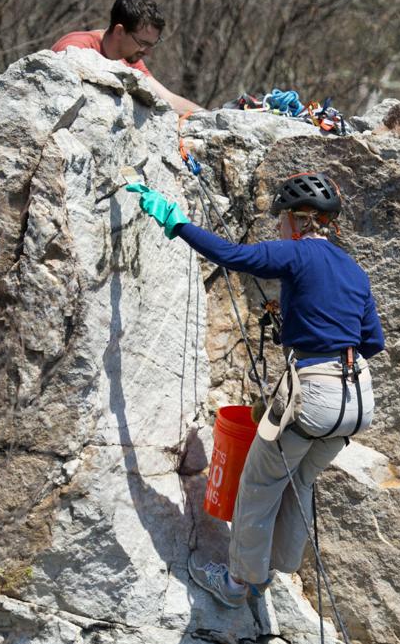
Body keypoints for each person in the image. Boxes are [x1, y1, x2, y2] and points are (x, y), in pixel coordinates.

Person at [126, 173, 384, 608]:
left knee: (258, 486)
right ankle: (274, 571)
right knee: (299, 480)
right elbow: (371, 341)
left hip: (316, 393)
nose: (280, 228)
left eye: (283, 219)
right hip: (357, 400)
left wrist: (178, 223)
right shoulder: (354, 270)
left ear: (300, 221)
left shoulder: (297, 253)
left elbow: (233, 255)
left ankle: (237, 583)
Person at [51, 0, 204, 115]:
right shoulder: (74, 48)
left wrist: (210, 117)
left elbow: (167, 98)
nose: (148, 52)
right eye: (143, 43)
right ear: (119, 31)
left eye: (152, 44)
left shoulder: (129, 60)